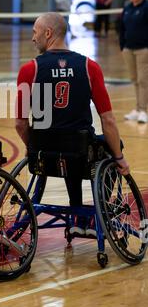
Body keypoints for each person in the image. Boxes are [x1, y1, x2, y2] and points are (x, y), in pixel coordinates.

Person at [15, 12, 129, 236]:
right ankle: (97, 211)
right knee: (108, 148)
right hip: (79, 151)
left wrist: (33, 148)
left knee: (65, 150)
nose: (32, 38)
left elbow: (20, 123)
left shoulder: (30, 69)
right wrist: (119, 158)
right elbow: (108, 119)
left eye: (35, 32)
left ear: (48, 33)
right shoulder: (89, 67)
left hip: (45, 152)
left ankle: (77, 212)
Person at [120, 0, 148, 124]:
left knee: (143, 81)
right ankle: (137, 109)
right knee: (135, 80)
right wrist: (122, 46)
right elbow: (122, 28)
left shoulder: (146, 7)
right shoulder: (128, 8)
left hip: (143, 50)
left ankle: (144, 111)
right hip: (128, 49)